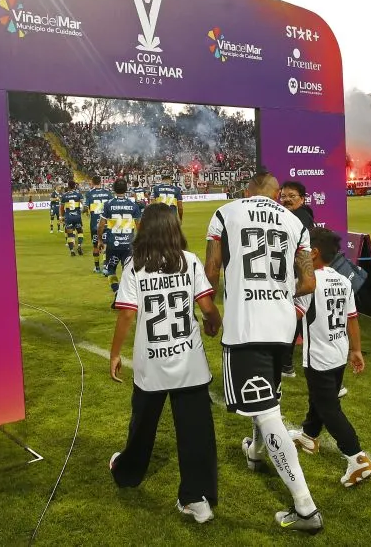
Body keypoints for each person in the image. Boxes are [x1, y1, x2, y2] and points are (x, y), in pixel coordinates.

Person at [204, 170, 323, 533]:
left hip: (246, 327)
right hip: (282, 325)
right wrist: (283, 303)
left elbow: (211, 271)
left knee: (267, 413)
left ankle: (305, 507)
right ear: (274, 194)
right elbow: (308, 281)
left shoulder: (227, 213)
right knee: (267, 400)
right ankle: (256, 452)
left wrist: (209, 312)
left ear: (247, 190)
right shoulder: (293, 220)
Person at [109, 203, 223, 523]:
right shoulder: (189, 261)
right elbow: (207, 305)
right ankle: (196, 498)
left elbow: (127, 315)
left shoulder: (134, 266)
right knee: (196, 431)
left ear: (145, 229)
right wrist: (214, 322)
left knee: (142, 426)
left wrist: (115, 353)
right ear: (175, 228)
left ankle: (128, 472)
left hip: (151, 364)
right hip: (189, 361)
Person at [289, 228, 371, 487]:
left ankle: (357, 458)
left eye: (301, 250)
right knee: (320, 398)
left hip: (319, 355)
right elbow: (352, 319)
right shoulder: (343, 279)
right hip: (338, 352)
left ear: (313, 253)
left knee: (328, 407)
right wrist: (356, 350)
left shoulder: (308, 282)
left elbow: (293, 316)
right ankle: (309, 435)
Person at [279, 180, 316, 378]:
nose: (286, 200)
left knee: (291, 316)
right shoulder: (302, 214)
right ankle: (287, 364)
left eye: (292, 196)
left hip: (298, 275)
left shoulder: (298, 217)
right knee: (296, 317)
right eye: (283, 196)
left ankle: (286, 363)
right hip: (301, 273)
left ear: (302, 199)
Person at [98, 178, 142, 295]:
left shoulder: (108, 204)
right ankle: (126, 295)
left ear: (113, 189)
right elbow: (139, 226)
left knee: (110, 270)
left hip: (113, 244)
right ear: (126, 189)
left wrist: (100, 240)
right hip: (129, 244)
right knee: (127, 271)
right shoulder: (133, 205)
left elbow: (101, 225)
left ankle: (117, 291)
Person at [85, 176, 113, 273]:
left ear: (92, 182)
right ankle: (105, 267)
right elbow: (112, 206)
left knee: (95, 245)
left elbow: (85, 207)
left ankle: (97, 268)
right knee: (105, 244)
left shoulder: (89, 193)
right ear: (100, 182)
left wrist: (87, 211)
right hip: (106, 223)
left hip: (94, 224)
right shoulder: (107, 193)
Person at [60, 180, 85, 256]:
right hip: (77, 216)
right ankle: (79, 245)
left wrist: (62, 216)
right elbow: (83, 204)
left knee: (70, 234)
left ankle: (72, 251)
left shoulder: (64, 196)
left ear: (68, 186)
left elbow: (61, 208)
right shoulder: (78, 194)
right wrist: (83, 211)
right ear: (75, 186)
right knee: (80, 232)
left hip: (68, 217)